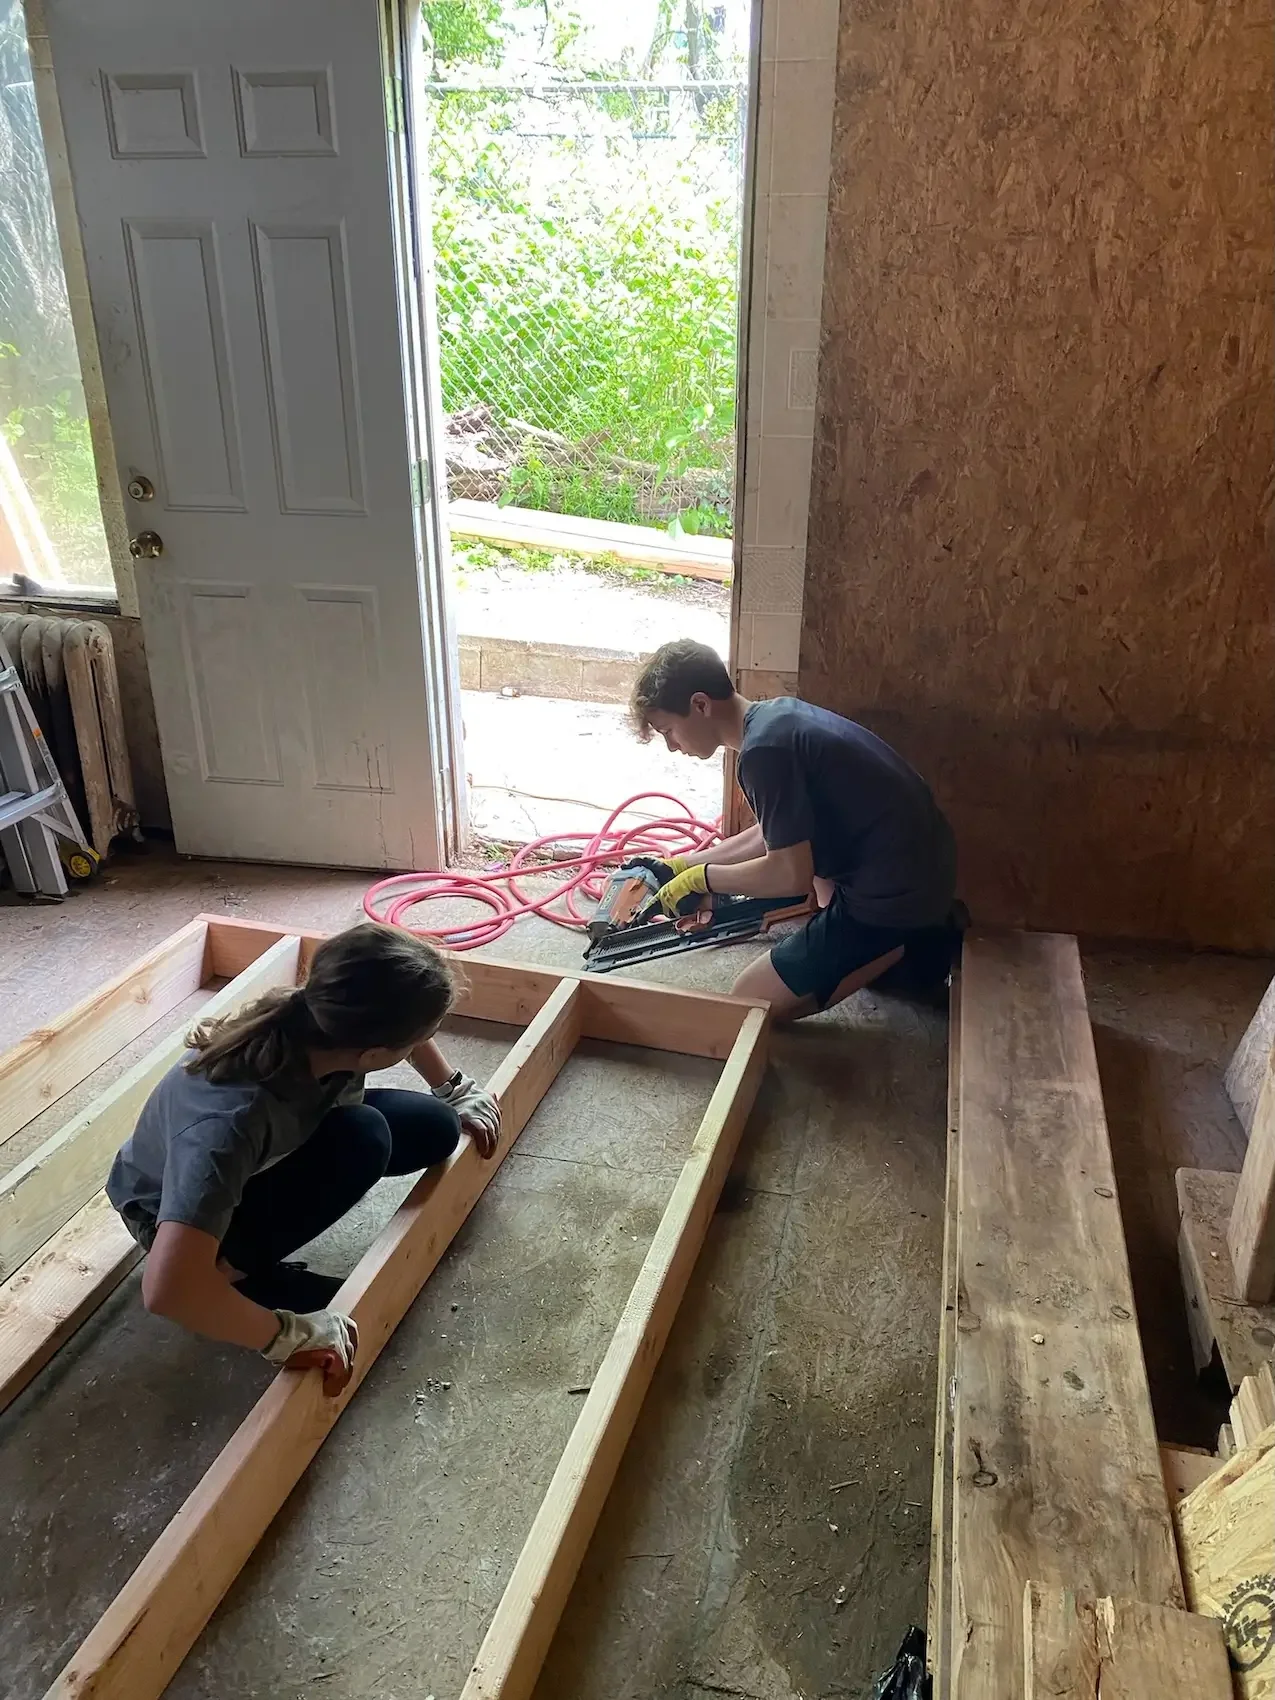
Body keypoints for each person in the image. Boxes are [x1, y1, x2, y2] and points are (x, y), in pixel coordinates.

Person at [106, 922, 501, 1388]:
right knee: (364, 1136)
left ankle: (245, 1261)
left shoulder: (327, 1014)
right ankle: (234, 1276)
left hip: (282, 1136)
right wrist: (286, 1335)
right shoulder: (228, 1126)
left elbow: (402, 1022)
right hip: (166, 1210)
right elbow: (165, 1290)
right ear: (374, 1053)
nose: (423, 1043)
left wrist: (451, 1087)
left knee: (435, 1126)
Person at [629, 640, 962, 1022]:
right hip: (922, 868)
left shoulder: (763, 753)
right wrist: (682, 864)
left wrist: (702, 880)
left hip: (897, 894)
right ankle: (901, 942)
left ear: (701, 705)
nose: (672, 747)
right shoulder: (774, 719)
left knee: (748, 1003)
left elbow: (789, 874)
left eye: (668, 730)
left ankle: (910, 940)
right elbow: (770, 835)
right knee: (822, 901)